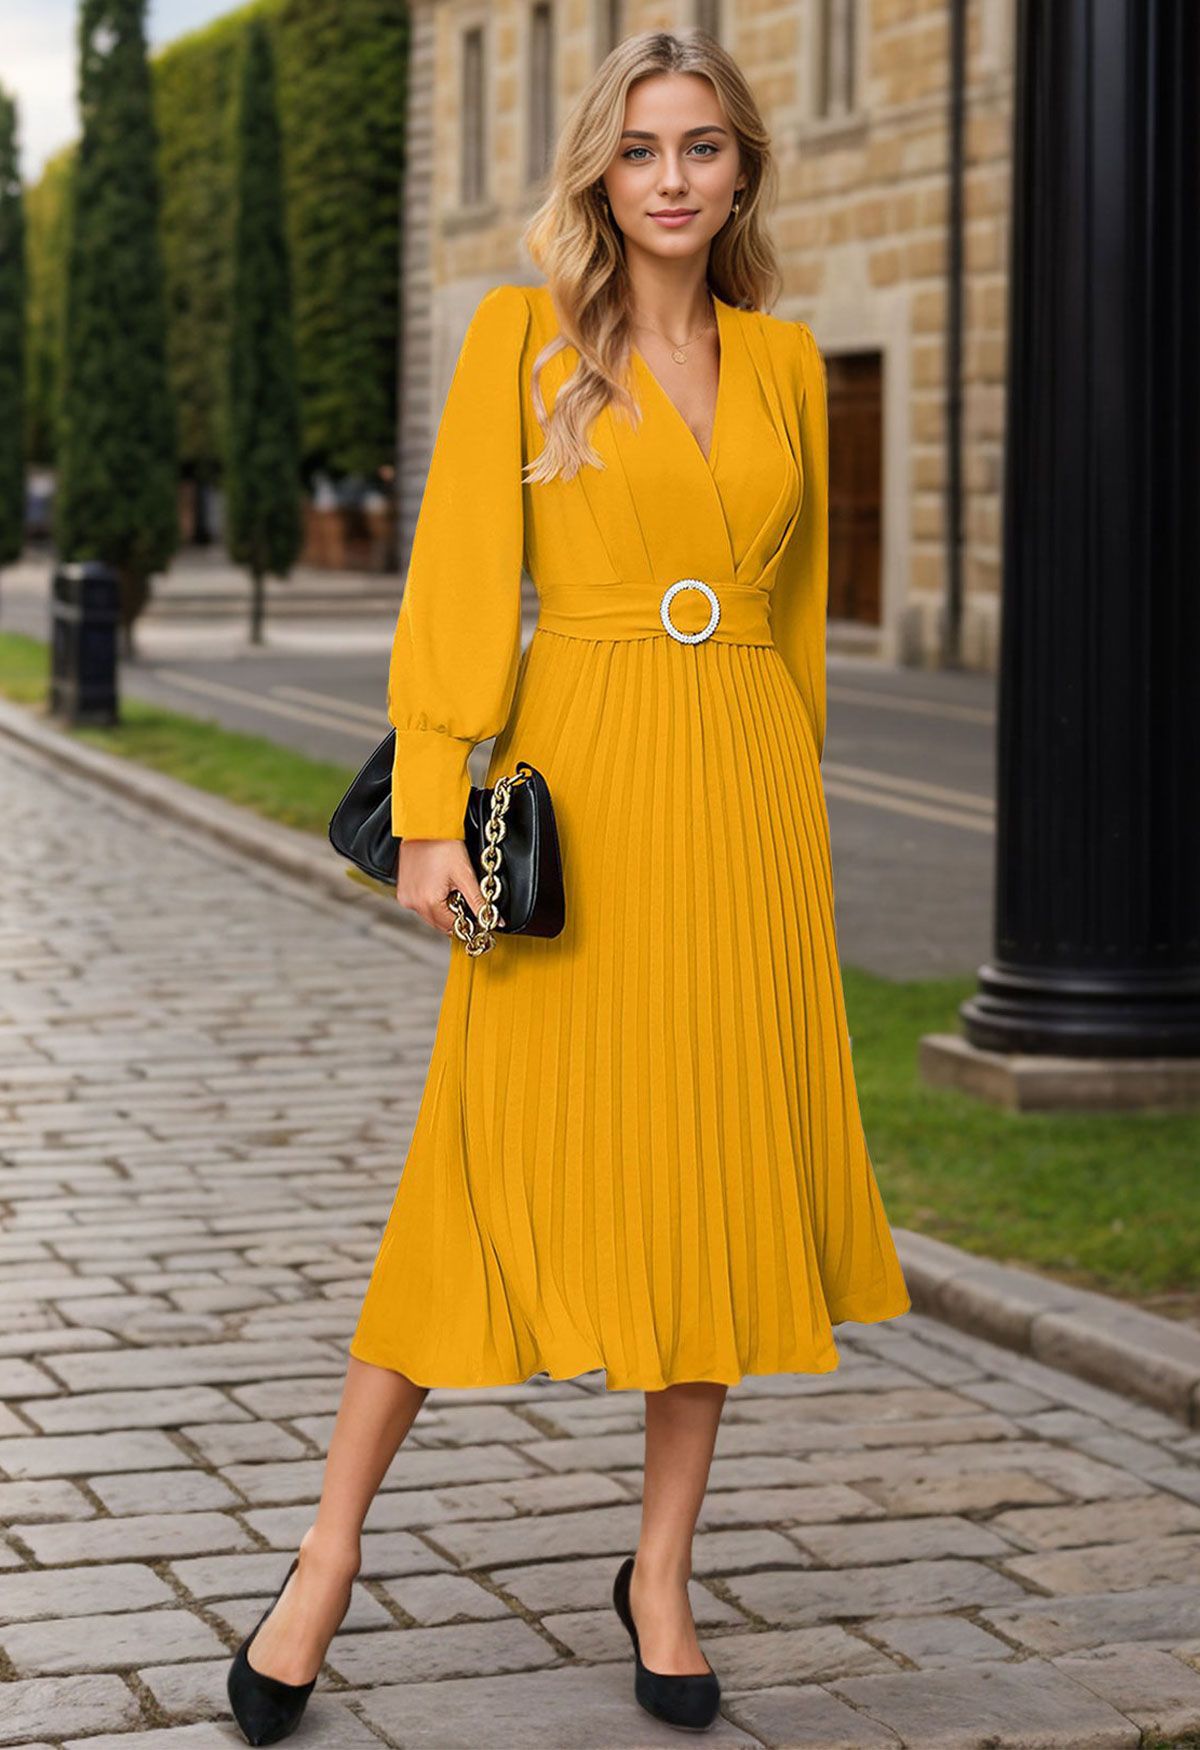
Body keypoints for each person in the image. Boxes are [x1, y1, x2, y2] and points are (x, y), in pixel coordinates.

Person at [226, 27, 910, 1747]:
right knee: (473, 1166)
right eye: (640, 150)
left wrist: (795, 827)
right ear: (601, 175)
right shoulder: (522, 339)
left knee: (717, 1190)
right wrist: (440, 811)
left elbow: (795, 620)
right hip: (578, 785)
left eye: (701, 147)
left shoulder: (785, 361)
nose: (672, 176)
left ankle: (660, 1571)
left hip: (741, 794)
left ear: (742, 169)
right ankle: (322, 1554)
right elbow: (461, 578)